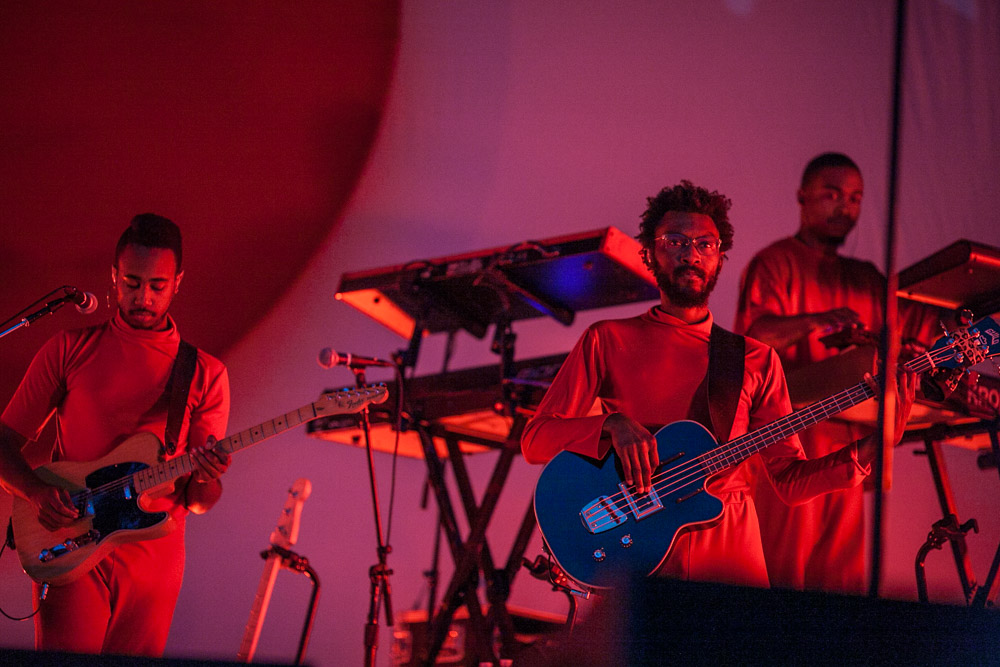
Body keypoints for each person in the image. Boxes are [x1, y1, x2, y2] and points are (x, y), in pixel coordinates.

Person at [521, 180, 916, 588]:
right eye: (674, 241)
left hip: (732, 553)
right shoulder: (607, 338)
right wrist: (610, 425)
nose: (690, 254)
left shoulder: (756, 358)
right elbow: (535, 440)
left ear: (720, 260)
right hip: (638, 551)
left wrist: (877, 444)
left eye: (705, 245)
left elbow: (790, 482)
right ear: (649, 254)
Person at [0, 214, 231, 655]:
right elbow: (2, 442)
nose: (143, 296)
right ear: (113, 276)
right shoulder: (69, 349)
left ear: (178, 282)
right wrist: (33, 490)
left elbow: (200, 500)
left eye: (157, 286)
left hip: (154, 557)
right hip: (70, 538)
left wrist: (206, 475)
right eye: (132, 282)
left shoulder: (205, 373)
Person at [734, 153, 941, 594]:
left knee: (839, 592)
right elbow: (754, 340)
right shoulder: (774, 262)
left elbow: (921, 327)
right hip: (787, 451)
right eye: (831, 194)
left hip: (851, 449)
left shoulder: (865, 278)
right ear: (802, 196)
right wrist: (816, 320)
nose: (843, 207)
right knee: (782, 584)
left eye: (855, 198)